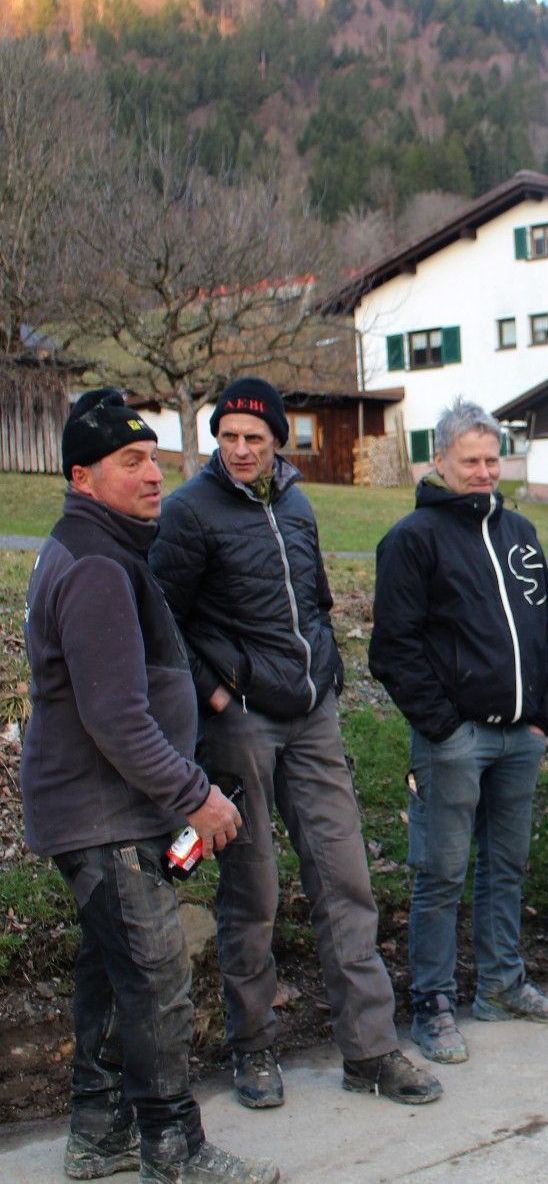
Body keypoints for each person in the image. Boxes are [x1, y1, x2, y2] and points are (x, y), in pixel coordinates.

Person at [151, 376, 441, 1109]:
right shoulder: (188, 512)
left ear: (278, 439)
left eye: (254, 437)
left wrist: (329, 668)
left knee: (346, 878)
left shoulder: (298, 501)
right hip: (242, 719)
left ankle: (370, 1049)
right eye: (229, 437)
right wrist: (216, 694)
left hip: (313, 713)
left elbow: (311, 597)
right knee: (254, 889)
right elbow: (161, 621)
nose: (241, 450)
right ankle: (251, 1048)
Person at [22, 389, 278, 1182]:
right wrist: (194, 795)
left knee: (113, 971)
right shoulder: (98, 564)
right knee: (157, 979)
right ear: (80, 476)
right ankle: (174, 1147)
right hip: (109, 814)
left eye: (154, 458)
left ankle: (99, 1135)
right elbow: (116, 718)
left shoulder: (103, 548)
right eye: (129, 461)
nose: (152, 473)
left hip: (110, 808)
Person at [369, 400, 548, 1066]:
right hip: (455, 741)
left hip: (519, 737)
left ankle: (501, 984)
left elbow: (543, 628)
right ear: (440, 462)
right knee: (441, 872)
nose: (484, 471)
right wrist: (444, 728)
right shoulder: (412, 538)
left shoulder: (519, 532)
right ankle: (431, 1002)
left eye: (491, 459)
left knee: (506, 866)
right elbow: (393, 649)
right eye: (470, 461)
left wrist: (544, 716)